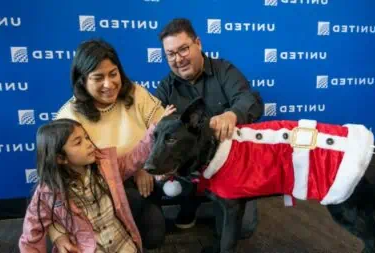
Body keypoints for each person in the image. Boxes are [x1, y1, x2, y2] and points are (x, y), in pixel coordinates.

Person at [52, 39, 168, 251]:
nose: (109, 84)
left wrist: (145, 165)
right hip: (95, 197)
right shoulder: (68, 117)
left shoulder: (135, 93)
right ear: (82, 81)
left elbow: (164, 129)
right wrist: (58, 234)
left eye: (113, 74)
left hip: (140, 184)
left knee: (155, 234)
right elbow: (51, 186)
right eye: (98, 77)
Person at [154, 18, 264, 237]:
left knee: (244, 228)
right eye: (171, 54)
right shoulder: (165, 87)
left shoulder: (225, 71)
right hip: (189, 169)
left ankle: (218, 209)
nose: (179, 59)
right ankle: (190, 205)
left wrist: (232, 114)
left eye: (183, 49)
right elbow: (153, 127)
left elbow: (249, 100)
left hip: (230, 166)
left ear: (198, 44)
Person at [19, 112, 172, 253]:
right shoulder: (48, 192)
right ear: (60, 158)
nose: (88, 143)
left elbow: (134, 158)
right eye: (78, 142)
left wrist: (154, 131)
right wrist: (57, 237)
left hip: (124, 245)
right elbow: (31, 232)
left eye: (86, 137)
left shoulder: (106, 166)